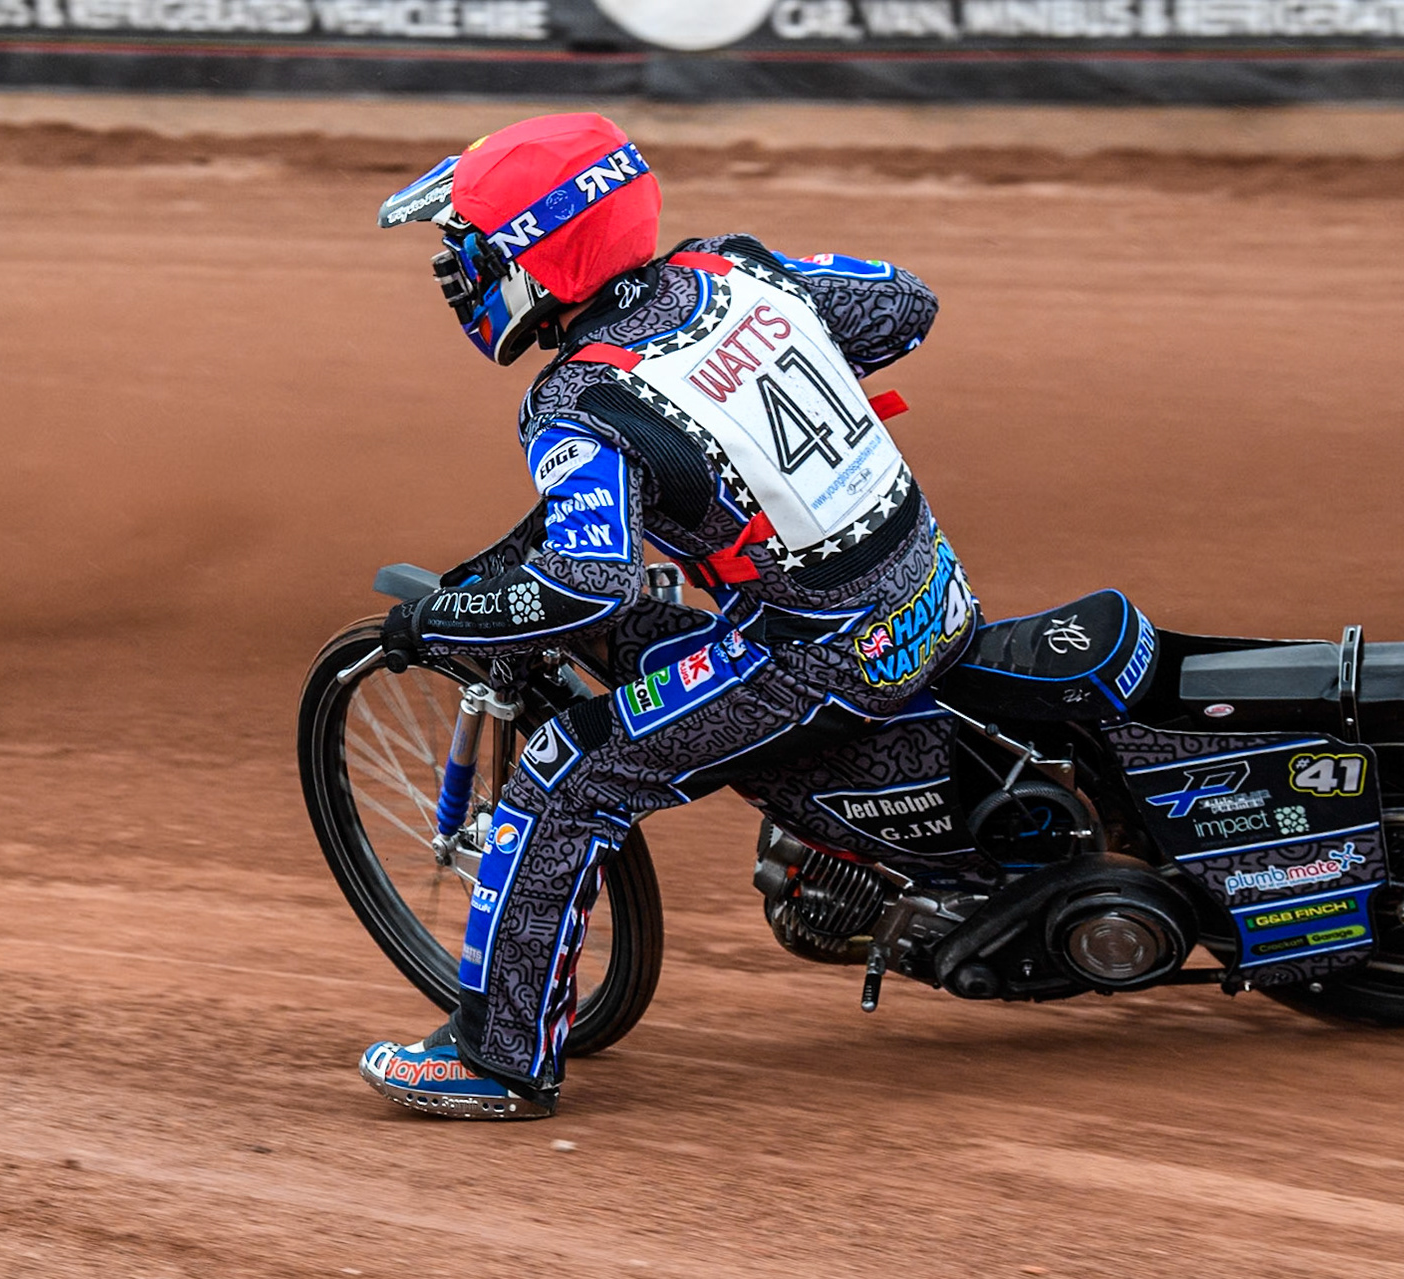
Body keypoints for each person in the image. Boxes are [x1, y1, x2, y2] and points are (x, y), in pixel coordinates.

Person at [358, 112, 978, 1119]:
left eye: (463, 242)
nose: (450, 268)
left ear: (531, 252)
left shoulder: (579, 400)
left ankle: (500, 1058)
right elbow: (904, 305)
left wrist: (439, 629)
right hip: (932, 591)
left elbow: (581, 588)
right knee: (651, 640)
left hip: (825, 651)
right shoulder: (733, 271)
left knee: (566, 776)